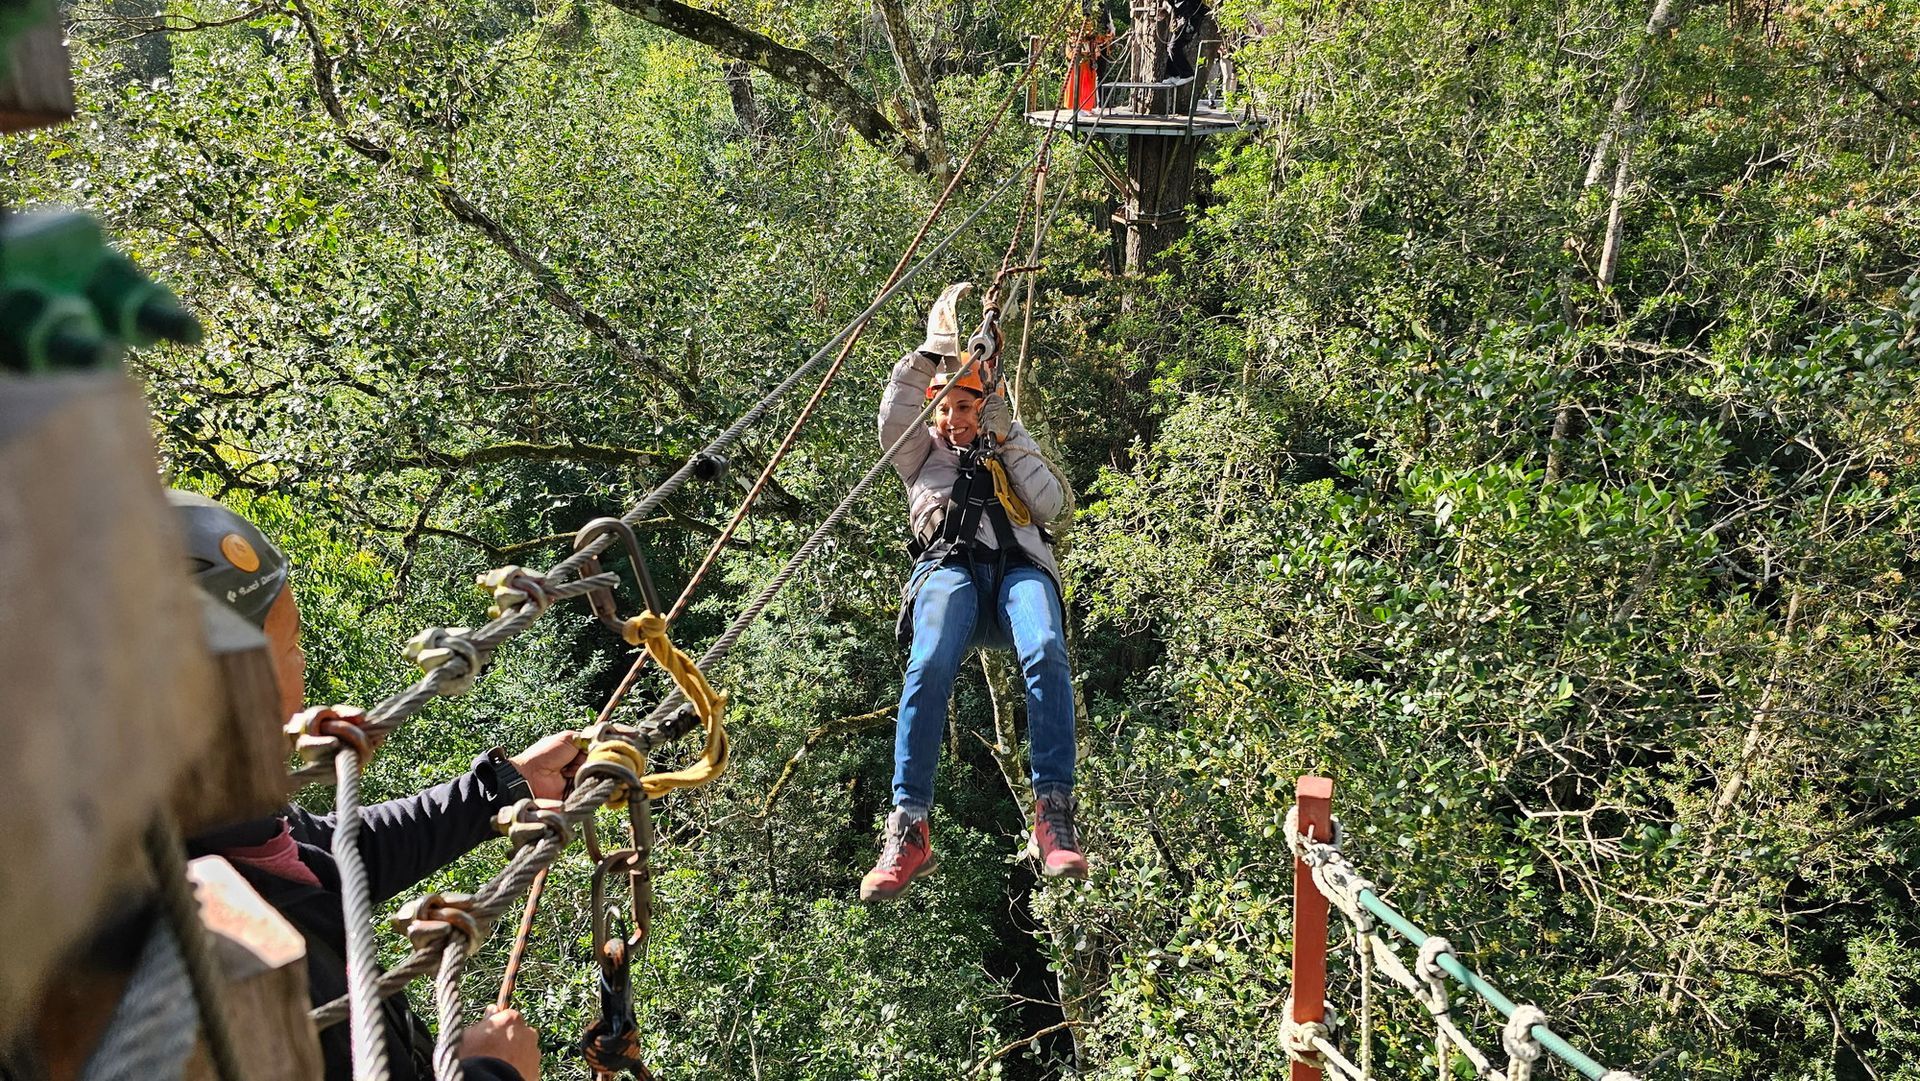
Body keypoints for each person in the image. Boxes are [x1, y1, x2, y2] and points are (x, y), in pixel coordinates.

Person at [167, 490, 582, 1081]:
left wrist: (504, 785)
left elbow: (331, 855)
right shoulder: (220, 949)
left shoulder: (216, 822)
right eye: (290, 650)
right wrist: (491, 1072)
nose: (303, 674)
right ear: (228, 688)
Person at [861, 283, 1088, 903]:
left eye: (966, 408)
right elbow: (892, 416)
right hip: (950, 572)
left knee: (1044, 648)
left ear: (981, 407)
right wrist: (934, 353)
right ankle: (909, 824)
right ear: (933, 414)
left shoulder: (1009, 444)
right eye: (946, 410)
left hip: (1019, 571)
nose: (955, 420)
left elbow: (1053, 506)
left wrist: (1007, 436)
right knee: (930, 660)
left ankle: (1054, 812)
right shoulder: (919, 457)